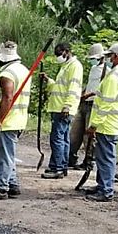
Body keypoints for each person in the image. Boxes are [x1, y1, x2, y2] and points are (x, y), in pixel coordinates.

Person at [0, 41, 31, 201]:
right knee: (10, 154)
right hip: (21, 118)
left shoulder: (7, 75)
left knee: (3, 156)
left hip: (9, 121)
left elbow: (8, 98)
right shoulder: (24, 70)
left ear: (2, 58)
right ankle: (13, 184)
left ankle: (1, 188)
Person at [83, 42, 118, 202]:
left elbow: (105, 105)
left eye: (110, 56)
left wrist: (94, 124)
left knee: (106, 157)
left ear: (117, 56)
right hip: (114, 122)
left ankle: (106, 189)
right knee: (103, 156)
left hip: (107, 123)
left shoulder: (115, 76)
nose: (109, 59)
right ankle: (102, 184)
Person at [41, 42, 83, 179]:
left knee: (57, 138)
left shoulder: (74, 66)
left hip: (63, 109)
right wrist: (48, 80)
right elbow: (60, 88)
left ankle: (57, 168)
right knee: (63, 139)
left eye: (59, 54)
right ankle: (60, 166)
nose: (58, 57)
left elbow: (74, 88)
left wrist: (68, 105)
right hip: (59, 107)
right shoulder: (65, 66)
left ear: (66, 51)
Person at [69, 43, 109, 169]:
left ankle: (88, 161)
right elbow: (90, 84)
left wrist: (90, 94)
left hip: (94, 104)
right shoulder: (93, 69)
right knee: (75, 133)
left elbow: (103, 90)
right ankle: (71, 158)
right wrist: (83, 93)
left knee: (89, 135)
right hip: (84, 103)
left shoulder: (107, 71)